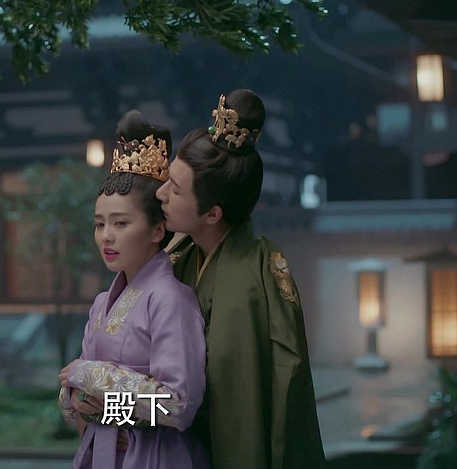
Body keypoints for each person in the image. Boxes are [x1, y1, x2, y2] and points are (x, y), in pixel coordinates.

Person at [156, 89, 325, 468]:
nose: (161, 194)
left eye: (176, 189)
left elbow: (239, 399)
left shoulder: (255, 276)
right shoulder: (179, 253)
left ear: (212, 214)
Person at [58, 110, 209, 469]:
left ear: (157, 230)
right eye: (100, 224)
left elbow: (178, 406)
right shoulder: (101, 304)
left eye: (121, 223)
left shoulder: (171, 300)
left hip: (153, 456)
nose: (106, 236)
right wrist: (79, 396)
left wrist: (93, 378)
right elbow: (75, 400)